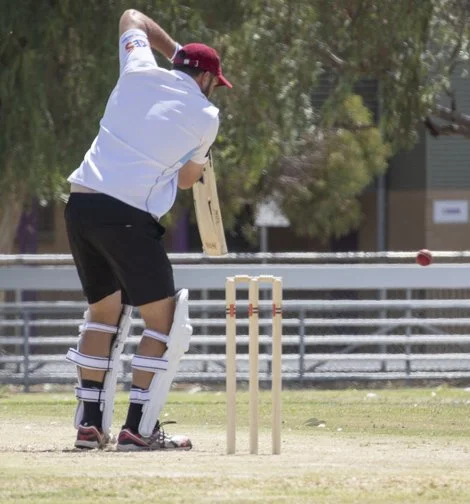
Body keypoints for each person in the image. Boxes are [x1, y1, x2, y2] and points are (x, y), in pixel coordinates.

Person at [64, 8, 232, 451]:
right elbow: (187, 180)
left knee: (103, 314)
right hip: (127, 215)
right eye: (214, 82)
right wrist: (195, 158)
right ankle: (138, 430)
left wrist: (175, 51)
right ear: (206, 79)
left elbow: (131, 17)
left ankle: (89, 427)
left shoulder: (137, 67)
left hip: (80, 205)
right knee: (166, 324)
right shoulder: (207, 115)